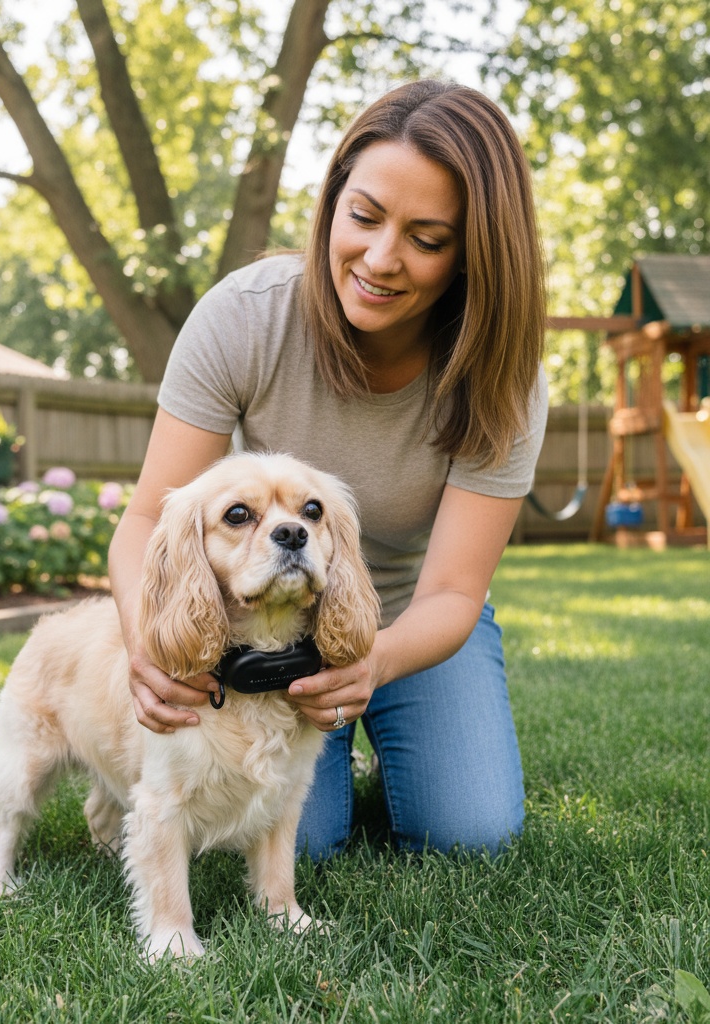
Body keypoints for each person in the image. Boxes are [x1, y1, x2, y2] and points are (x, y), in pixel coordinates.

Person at [108, 78, 548, 860]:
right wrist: (148, 642)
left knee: (470, 834)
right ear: (333, 201)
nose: (380, 259)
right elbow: (148, 516)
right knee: (290, 843)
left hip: (412, 618)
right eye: (365, 216)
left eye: (428, 238)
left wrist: (371, 661)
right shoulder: (244, 316)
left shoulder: (503, 377)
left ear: (474, 255)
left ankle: (384, 735)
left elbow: (453, 590)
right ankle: (328, 767)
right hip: (254, 624)